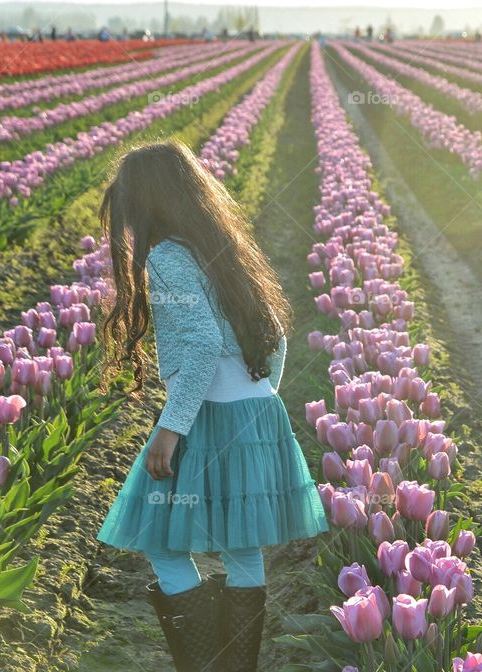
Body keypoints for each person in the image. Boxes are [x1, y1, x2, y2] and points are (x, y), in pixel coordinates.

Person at [96, 141, 328, 672]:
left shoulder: (168, 257)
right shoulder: (223, 248)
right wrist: (260, 395)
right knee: (241, 544)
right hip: (255, 413)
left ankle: (206, 665)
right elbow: (277, 335)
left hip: (207, 415)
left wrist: (171, 428)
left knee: (161, 544)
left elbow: (200, 346)